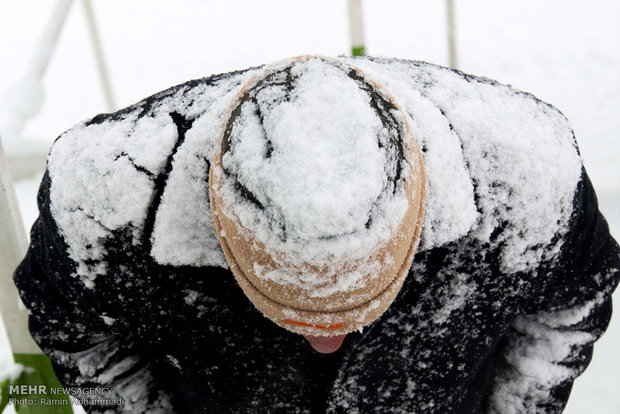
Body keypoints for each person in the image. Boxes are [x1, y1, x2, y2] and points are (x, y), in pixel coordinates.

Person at [13, 55, 619, 413]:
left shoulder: (525, 183)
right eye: (288, 309)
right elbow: (76, 331)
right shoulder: (103, 206)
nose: (326, 341)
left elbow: (570, 305)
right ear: (220, 238)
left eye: (363, 304)